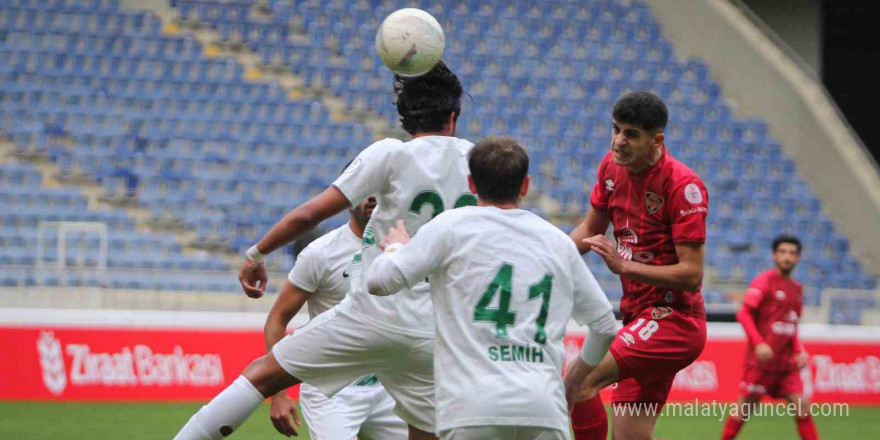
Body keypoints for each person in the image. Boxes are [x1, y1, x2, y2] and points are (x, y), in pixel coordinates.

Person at [174, 61, 472, 440]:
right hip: (433, 330)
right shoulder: (476, 159)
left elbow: (307, 216)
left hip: (373, 316)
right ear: (453, 116)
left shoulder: (390, 154)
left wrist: (256, 256)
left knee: (262, 376)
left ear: (405, 118)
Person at [366, 136, 619, 440]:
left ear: (471, 184)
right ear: (525, 186)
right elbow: (604, 326)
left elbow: (379, 283)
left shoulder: (451, 226)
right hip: (543, 408)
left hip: (472, 408)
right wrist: (573, 382)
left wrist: (395, 248)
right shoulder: (558, 242)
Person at [565, 91, 709, 440]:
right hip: (637, 316)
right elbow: (589, 231)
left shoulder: (683, 186)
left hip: (674, 319)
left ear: (656, 139)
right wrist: (545, 257)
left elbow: (691, 275)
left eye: (631, 134)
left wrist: (624, 267)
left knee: (580, 381)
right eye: (616, 129)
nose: (619, 141)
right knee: (631, 435)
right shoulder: (611, 167)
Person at [264, 189, 407, 440]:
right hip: (332, 391)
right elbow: (276, 320)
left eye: (379, 188)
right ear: (348, 199)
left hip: (388, 386)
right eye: (365, 190)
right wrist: (278, 393)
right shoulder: (321, 252)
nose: (372, 197)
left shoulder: (402, 249)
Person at [720, 235, 819, 440]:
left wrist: (799, 352)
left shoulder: (797, 289)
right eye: (782, 252)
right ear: (774, 255)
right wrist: (759, 344)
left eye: (792, 253)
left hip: (786, 364)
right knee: (744, 410)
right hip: (760, 363)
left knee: (803, 407)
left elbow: (792, 326)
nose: (787, 257)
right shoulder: (764, 281)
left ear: (798, 258)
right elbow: (744, 314)